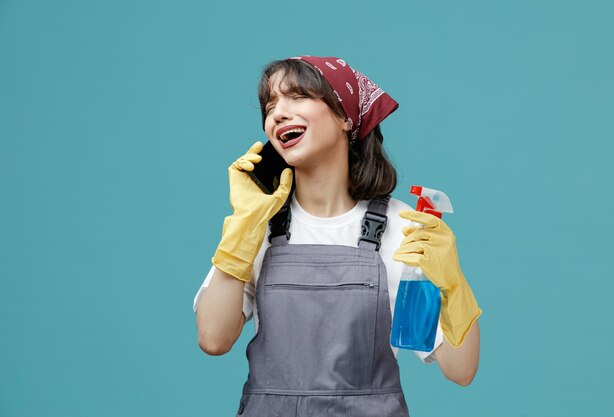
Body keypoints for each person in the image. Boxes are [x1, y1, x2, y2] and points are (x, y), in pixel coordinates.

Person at [193, 56, 482, 416]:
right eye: (270, 106)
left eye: (297, 97)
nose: (278, 113)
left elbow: (461, 370)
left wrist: (453, 284)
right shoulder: (257, 222)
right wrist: (241, 227)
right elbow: (213, 339)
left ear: (345, 116)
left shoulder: (402, 226)